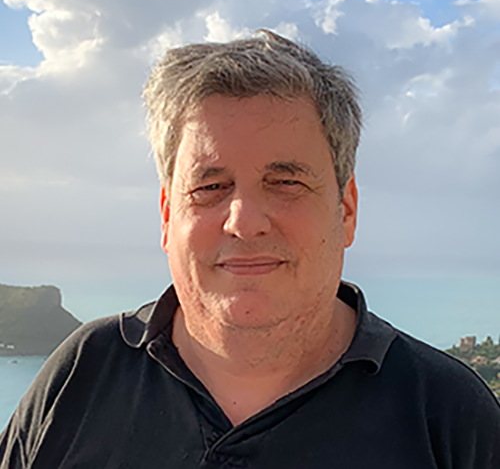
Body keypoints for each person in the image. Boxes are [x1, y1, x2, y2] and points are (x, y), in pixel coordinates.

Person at [1, 30, 499, 469]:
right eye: (211, 187)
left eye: (285, 181)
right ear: (168, 214)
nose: (244, 222)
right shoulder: (82, 375)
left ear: (345, 210)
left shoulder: (447, 418)